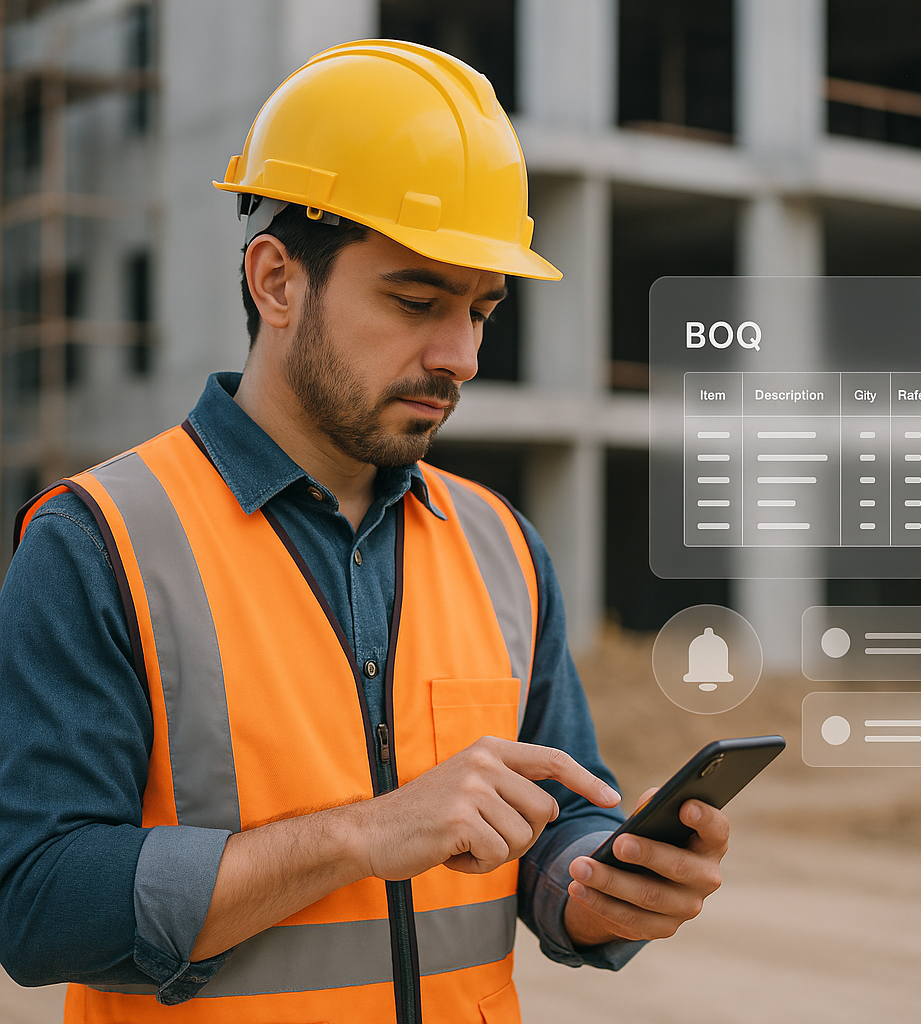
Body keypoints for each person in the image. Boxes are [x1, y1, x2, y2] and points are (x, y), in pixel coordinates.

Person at [0, 40, 729, 1023]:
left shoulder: (503, 547)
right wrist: (356, 837)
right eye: (416, 300)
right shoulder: (99, 542)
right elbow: (37, 901)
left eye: (481, 308)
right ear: (276, 281)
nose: (460, 355)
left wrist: (597, 888)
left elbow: (558, 818)